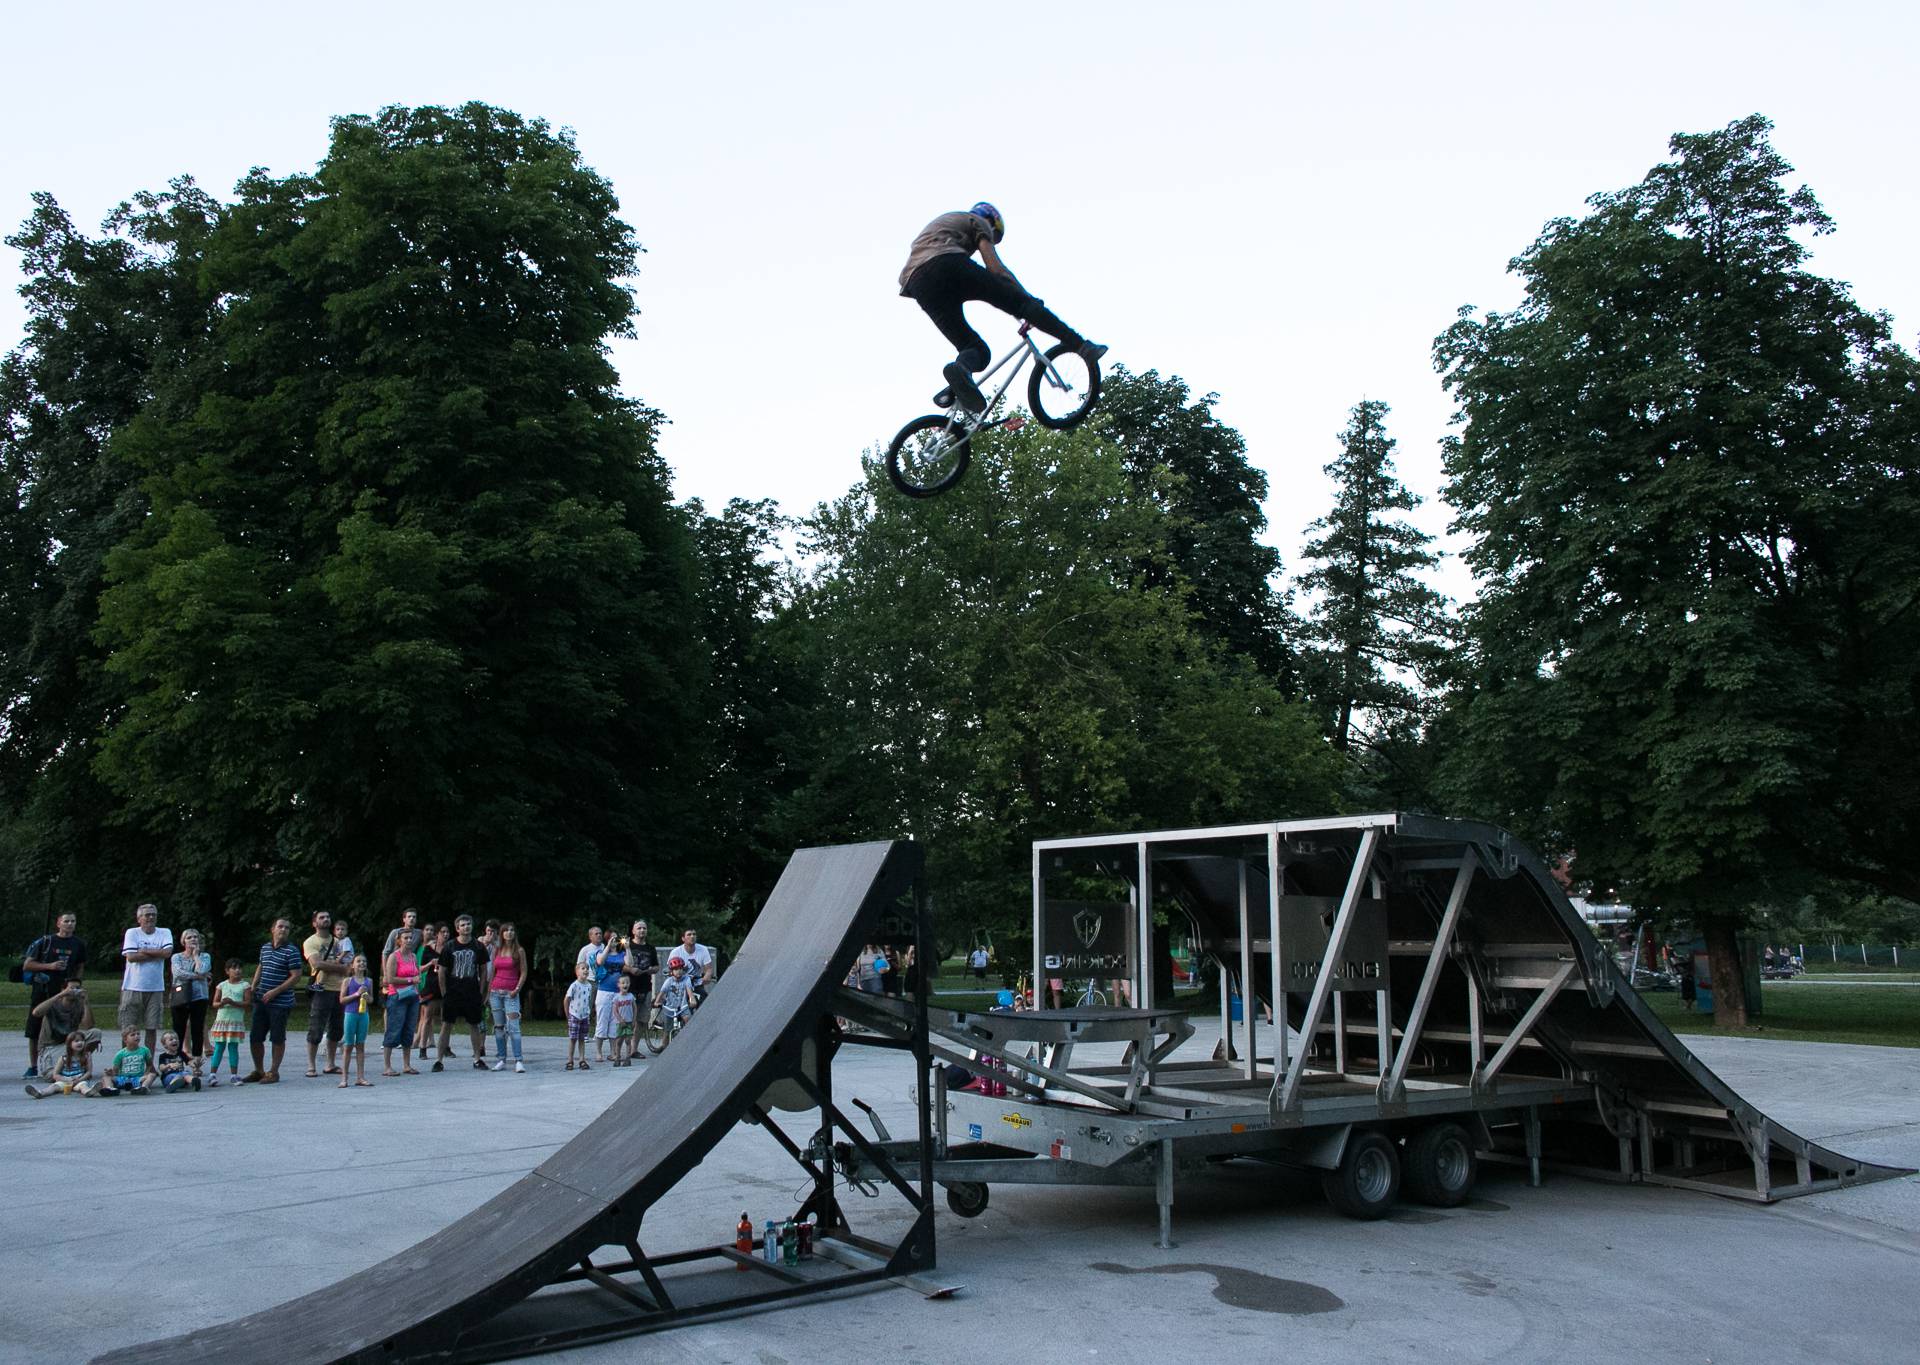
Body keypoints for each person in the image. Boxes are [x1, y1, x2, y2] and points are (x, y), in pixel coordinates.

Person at [898, 201, 1105, 416]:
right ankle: (1082, 346)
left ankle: (959, 375)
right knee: (1023, 304)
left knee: (975, 349)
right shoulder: (979, 221)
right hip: (946, 264)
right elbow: (996, 269)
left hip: (918, 284)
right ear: (992, 221)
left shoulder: (945, 223)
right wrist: (1025, 298)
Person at [22, 911, 87, 1078]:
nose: (70, 924)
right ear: (58, 923)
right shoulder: (46, 942)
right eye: (66, 921)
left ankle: (73, 1062)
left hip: (66, 990)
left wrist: (76, 983)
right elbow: (27, 965)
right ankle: (33, 1066)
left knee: (68, 1024)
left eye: (73, 921)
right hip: (44, 989)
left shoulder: (78, 944)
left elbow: (80, 965)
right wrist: (50, 966)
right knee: (35, 1027)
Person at [244, 917, 302, 1084]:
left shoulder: (291, 951)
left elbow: (296, 975)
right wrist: (254, 985)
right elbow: (261, 966)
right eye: (280, 926)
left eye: (287, 928)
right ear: (273, 929)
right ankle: (259, 1070)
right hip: (261, 999)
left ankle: (273, 1071)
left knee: (277, 1037)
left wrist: (276, 991)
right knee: (255, 1037)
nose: (283, 930)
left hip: (280, 1002)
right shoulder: (265, 948)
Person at [119, 902, 174, 1054]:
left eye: (153, 914)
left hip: (155, 987)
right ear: (139, 918)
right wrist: (157, 952)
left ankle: (148, 1063)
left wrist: (144, 950)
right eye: (147, 915)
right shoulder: (132, 933)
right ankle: (126, 1060)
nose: (151, 917)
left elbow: (167, 953)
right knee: (128, 1028)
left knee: (152, 1027)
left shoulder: (164, 932)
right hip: (132, 986)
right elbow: (131, 957)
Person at [437, 915, 489, 1072]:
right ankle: (439, 1060)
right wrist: (444, 992)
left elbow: (483, 970)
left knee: (474, 1024)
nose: (466, 927)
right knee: (446, 1025)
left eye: (468, 924)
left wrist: (480, 991)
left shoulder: (478, 946)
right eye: (463, 925)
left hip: (471, 990)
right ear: (457, 928)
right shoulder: (449, 946)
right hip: (453, 991)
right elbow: (442, 971)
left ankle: (477, 1058)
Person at [303, 910, 351, 1078]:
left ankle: (330, 1064)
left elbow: (349, 963)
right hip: (321, 989)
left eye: (328, 917)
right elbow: (317, 963)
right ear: (314, 923)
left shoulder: (339, 941)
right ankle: (311, 1065)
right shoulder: (311, 942)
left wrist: (344, 968)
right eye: (321, 918)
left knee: (337, 1029)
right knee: (316, 1027)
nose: (326, 919)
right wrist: (341, 968)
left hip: (340, 989)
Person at [29, 980, 100, 1078]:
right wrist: (60, 995)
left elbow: (88, 1026)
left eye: (78, 988)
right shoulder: (53, 1004)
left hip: (70, 1044)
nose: (74, 991)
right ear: (63, 989)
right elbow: (36, 1012)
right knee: (51, 1076)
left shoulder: (79, 1005)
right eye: (71, 988)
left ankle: (79, 1063)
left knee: (96, 1033)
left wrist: (86, 1003)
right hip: (51, 1046)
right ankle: (60, 1071)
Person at [168, 929, 213, 1067]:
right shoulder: (177, 957)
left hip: (199, 996)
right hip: (181, 996)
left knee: (197, 1028)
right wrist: (198, 976)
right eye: (189, 937)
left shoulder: (205, 956)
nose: (193, 939)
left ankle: (197, 1060)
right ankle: (176, 1059)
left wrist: (196, 956)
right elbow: (178, 973)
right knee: (179, 1028)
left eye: (195, 937)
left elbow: (202, 970)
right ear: (183, 941)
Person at [382, 928, 423, 1077]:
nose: (409, 940)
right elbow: (390, 979)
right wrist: (410, 980)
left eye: (411, 938)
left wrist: (416, 983)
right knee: (394, 1029)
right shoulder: (394, 957)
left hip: (412, 996)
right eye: (405, 938)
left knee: (409, 1029)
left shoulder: (413, 956)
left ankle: (407, 1064)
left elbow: (417, 973)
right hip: (397, 996)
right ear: (399, 940)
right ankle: (387, 1066)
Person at [487, 921, 527, 1073]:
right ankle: (501, 1059)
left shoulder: (519, 951)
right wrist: (488, 990)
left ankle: (518, 1060)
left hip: (511, 993)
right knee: (499, 1027)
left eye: (512, 930)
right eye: (506, 930)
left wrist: (517, 989)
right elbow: (492, 971)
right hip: (495, 992)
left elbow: (523, 972)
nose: (509, 932)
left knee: (514, 1027)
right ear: (502, 933)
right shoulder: (497, 949)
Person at [207, 959, 249, 1085]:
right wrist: (222, 1003)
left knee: (233, 1047)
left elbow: (247, 1003)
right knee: (219, 1047)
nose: (237, 971)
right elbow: (214, 1003)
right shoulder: (221, 985)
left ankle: (234, 1074)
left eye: (239, 968)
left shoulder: (245, 985)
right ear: (227, 971)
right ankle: (212, 1074)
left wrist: (233, 1002)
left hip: (235, 1022)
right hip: (222, 1020)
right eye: (234, 968)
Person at [25, 1031, 97, 1098]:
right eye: (76, 1041)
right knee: (53, 1087)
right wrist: (67, 1080)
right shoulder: (64, 1058)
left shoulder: (86, 1056)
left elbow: (89, 1072)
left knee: (83, 1087)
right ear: (69, 1044)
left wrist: (79, 1080)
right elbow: (55, 1075)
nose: (80, 1043)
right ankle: (40, 1093)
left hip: (79, 1080)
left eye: (82, 1040)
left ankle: (89, 1092)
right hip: (65, 1080)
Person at [338, 953, 374, 1088]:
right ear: (353, 965)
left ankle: (360, 1077)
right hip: (350, 1014)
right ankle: (344, 1078)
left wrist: (365, 996)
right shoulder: (348, 981)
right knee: (348, 1046)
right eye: (358, 961)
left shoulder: (368, 981)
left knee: (360, 1045)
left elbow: (371, 1000)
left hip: (363, 1015)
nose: (361, 964)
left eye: (364, 961)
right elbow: (342, 1000)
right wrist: (356, 994)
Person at [591, 933, 628, 1063]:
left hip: (617, 992)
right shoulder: (600, 952)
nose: (615, 940)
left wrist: (627, 948)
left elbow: (630, 963)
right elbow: (600, 961)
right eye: (612, 938)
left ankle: (613, 1052)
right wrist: (608, 946)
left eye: (616, 938)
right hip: (604, 991)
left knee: (614, 1023)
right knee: (602, 1021)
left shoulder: (621, 954)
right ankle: (599, 1052)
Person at [415, 923, 448, 1063]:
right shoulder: (428, 949)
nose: (445, 935)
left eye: (447, 932)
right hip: (431, 986)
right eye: (443, 932)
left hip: (446, 986)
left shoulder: (450, 949)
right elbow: (420, 969)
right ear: (437, 935)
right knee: (427, 1017)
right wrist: (431, 963)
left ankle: (445, 1047)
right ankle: (423, 1048)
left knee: (446, 1019)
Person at [101, 1026, 155, 1095]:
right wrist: (110, 1072)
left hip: (138, 1079)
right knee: (106, 1076)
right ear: (125, 1040)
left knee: (152, 1075)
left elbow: (149, 1064)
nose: (137, 1036)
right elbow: (115, 1071)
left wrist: (145, 1074)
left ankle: (143, 1088)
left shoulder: (145, 1050)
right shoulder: (120, 1054)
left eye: (138, 1034)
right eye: (133, 1035)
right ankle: (110, 1089)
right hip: (123, 1079)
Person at [563, 961, 595, 1071]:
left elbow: (589, 1000)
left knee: (582, 1038)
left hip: (584, 1016)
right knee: (573, 1038)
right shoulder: (574, 985)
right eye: (583, 968)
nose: (585, 970)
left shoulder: (589, 986)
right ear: (577, 972)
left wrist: (589, 1012)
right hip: (574, 1015)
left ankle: (582, 1059)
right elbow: (566, 999)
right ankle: (570, 1060)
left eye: (587, 968)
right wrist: (568, 1015)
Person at [667, 929, 714, 1003]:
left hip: (696, 983)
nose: (692, 936)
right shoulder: (676, 952)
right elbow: (670, 971)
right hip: (680, 985)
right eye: (689, 934)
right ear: (683, 938)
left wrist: (706, 977)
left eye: (694, 934)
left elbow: (709, 968)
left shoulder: (703, 950)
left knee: (704, 1001)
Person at [653, 960, 696, 1033]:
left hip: (682, 1006)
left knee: (688, 1020)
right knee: (667, 1031)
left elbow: (689, 991)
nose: (679, 971)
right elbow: (662, 992)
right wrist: (656, 1002)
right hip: (670, 1007)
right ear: (672, 971)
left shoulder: (686, 979)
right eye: (676, 969)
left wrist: (692, 1000)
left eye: (680, 969)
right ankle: (665, 1044)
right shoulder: (669, 981)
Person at [627, 920, 657, 1007]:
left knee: (643, 1019)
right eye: (639, 928)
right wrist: (630, 969)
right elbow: (620, 965)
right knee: (628, 1019)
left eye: (644, 928)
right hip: (628, 988)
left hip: (645, 988)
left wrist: (652, 970)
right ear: (633, 931)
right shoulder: (626, 946)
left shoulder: (651, 948)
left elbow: (656, 967)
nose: (642, 930)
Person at [610, 973, 638, 1067]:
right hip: (620, 1023)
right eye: (623, 983)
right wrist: (620, 1019)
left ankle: (628, 1058)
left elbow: (635, 1008)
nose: (625, 985)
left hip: (629, 1022)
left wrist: (634, 1019)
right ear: (618, 985)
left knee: (628, 1040)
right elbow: (615, 1010)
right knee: (619, 1041)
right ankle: (617, 1057)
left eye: (627, 982)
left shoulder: (631, 996)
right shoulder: (617, 997)